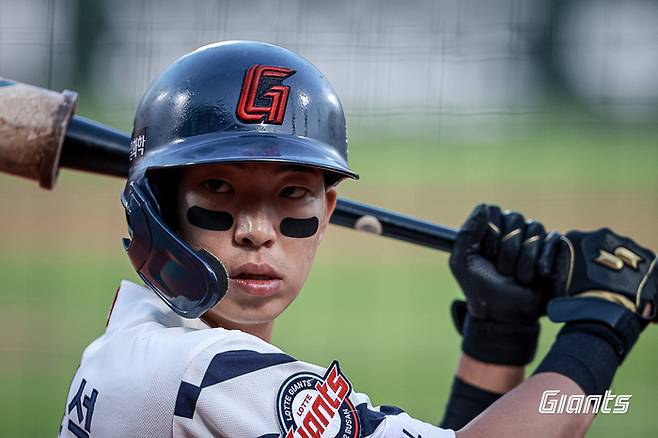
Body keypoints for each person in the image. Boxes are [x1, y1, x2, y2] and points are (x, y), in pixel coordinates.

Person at [58, 41, 657, 438]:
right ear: (159, 212)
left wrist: (497, 337)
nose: (257, 231)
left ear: (328, 210)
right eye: (218, 187)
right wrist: (598, 331)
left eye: (293, 192)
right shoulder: (202, 375)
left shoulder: (135, 346)